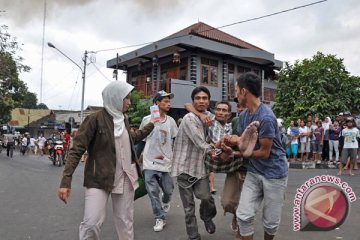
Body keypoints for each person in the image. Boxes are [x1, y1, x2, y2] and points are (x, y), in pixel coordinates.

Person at [58, 81, 157, 240]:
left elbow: (132, 139)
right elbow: (76, 150)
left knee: (125, 221)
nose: (129, 102)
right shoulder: (94, 119)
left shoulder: (123, 119)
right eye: (127, 98)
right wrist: (65, 181)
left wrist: (151, 125)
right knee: (91, 223)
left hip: (125, 176)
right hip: (99, 178)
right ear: (115, 97)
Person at [226, 72, 288, 240]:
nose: (235, 94)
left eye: (237, 90)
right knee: (243, 215)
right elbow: (243, 143)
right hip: (254, 172)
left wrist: (235, 153)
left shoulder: (266, 117)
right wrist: (229, 142)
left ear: (244, 91)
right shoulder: (244, 116)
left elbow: (264, 153)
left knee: (270, 222)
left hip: (274, 174)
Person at [171, 86, 218, 240]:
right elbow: (200, 142)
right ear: (193, 101)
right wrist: (217, 151)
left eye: (204, 98)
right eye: (197, 98)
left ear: (209, 101)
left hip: (200, 168)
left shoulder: (210, 117)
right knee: (189, 208)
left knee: (206, 197)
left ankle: (206, 217)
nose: (201, 101)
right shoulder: (188, 118)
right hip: (184, 168)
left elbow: (218, 130)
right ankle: (193, 236)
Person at [139, 90, 178, 232]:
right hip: (149, 162)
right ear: (157, 103)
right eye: (165, 101)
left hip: (166, 162)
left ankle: (166, 200)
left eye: (169, 101)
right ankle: (159, 217)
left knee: (168, 189)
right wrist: (136, 159)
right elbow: (141, 140)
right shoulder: (146, 119)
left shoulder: (171, 121)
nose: (169, 104)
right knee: (153, 192)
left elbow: (175, 140)